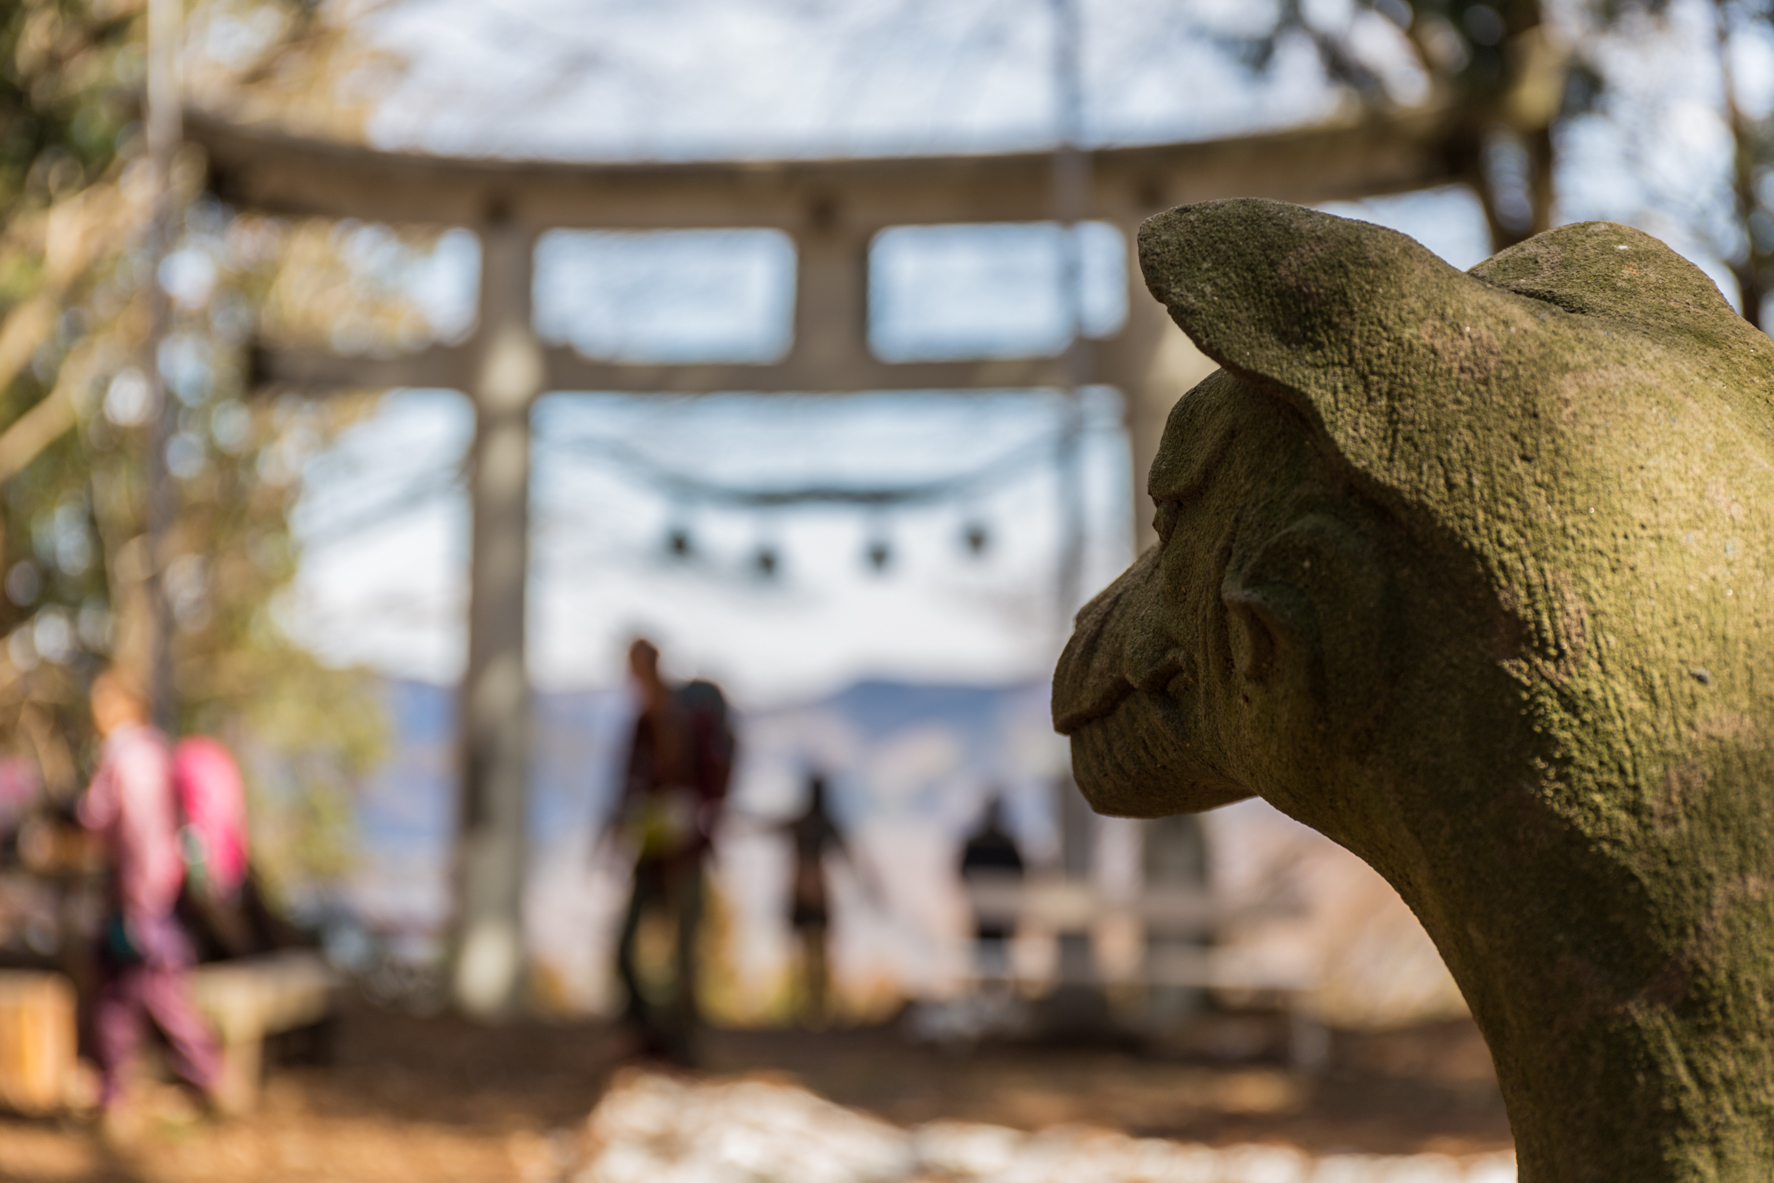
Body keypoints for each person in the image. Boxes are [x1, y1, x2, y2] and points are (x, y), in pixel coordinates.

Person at [77, 668, 221, 1121]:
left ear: (126, 705)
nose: (95, 712)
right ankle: (117, 1092)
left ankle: (207, 1077)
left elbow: (127, 828)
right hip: (154, 889)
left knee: (152, 989)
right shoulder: (155, 751)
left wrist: (137, 899)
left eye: (103, 702)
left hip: (139, 895)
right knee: (125, 990)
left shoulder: (124, 756)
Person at [604, 639, 733, 1063]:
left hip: (686, 853)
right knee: (626, 948)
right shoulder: (642, 725)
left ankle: (684, 1046)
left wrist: (696, 816)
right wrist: (616, 829)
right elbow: (626, 784)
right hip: (650, 852)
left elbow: (712, 783)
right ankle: (647, 1034)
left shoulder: (690, 720)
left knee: (684, 954)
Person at [777, 773, 857, 1025]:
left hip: (811, 890)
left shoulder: (813, 824)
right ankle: (809, 1006)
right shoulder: (813, 824)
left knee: (813, 951)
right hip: (807, 890)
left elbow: (847, 855)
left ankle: (816, 1006)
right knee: (808, 951)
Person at [958, 795, 1024, 978]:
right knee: (988, 950)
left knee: (996, 950)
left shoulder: (1002, 843)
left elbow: (1019, 873)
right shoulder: (995, 843)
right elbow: (1019, 872)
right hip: (986, 908)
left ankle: (993, 978)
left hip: (997, 909)